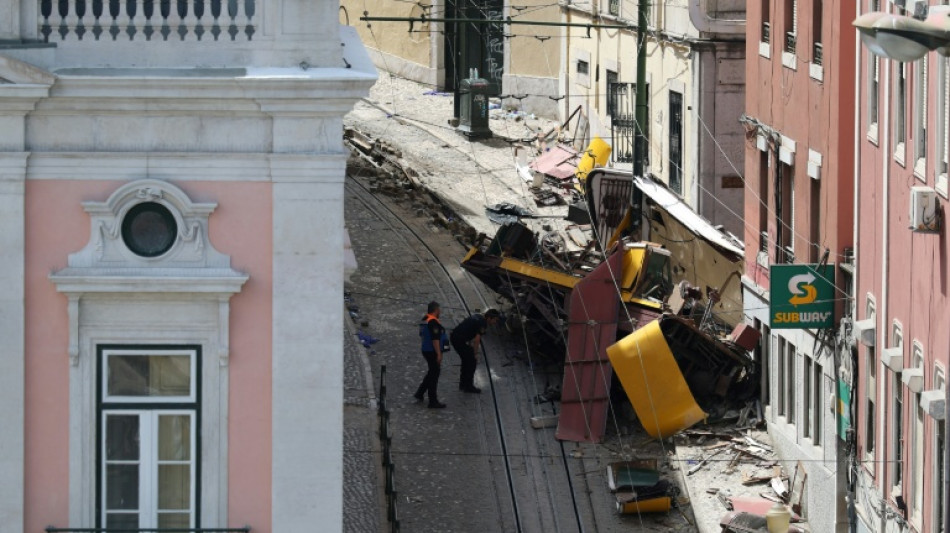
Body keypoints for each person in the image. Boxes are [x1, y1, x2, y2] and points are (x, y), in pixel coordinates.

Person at [450, 308, 502, 393]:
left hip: (456, 337)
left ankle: (463, 384)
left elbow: (471, 331)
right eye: (494, 320)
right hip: (459, 340)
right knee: (472, 362)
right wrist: (475, 354)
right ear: (489, 318)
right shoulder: (483, 324)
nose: (495, 323)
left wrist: (470, 347)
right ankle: (468, 386)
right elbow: (477, 340)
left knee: (466, 360)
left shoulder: (478, 316)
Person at [414, 301, 449, 408]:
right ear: (436, 310)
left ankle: (420, 393)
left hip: (426, 349)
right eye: (439, 310)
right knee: (434, 375)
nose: (440, 312)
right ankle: (432, 401)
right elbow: (435, 340)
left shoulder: (425, 319)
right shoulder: (432, 322)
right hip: (432, 351)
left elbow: (421, 334)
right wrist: (439, 353)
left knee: (431, 372)